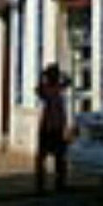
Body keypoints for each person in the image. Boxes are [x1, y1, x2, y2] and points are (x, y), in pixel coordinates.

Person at [35, 64, 69, 193]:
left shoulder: (58, 88)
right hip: (48, 127)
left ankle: (59, 183)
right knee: (42, 157)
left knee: (60, 158)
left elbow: (68, 81)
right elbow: (38, 90)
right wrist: (43, 76)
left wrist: (61, 74)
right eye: (54, 75)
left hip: (57, 127)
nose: (55, 78)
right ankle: (41, 185)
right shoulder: (46, 89)